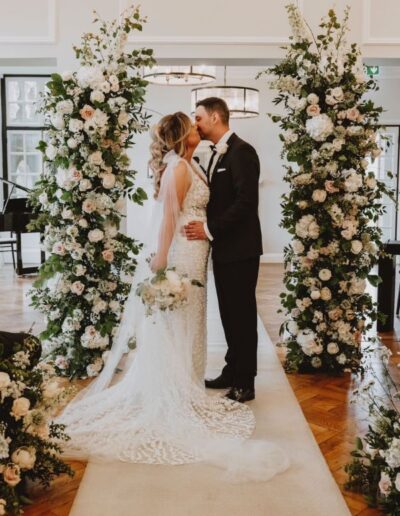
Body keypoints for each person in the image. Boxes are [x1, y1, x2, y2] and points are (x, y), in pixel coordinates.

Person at [56, 112, 288, 480]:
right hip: (182, 249)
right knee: (180, 315)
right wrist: (162, 256)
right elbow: (168, 216)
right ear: (184, 134)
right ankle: (173, 389)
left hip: (198, 248)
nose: (197, 127)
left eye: (200, 121)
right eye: (192, 124)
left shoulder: (192, 163)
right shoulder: (180, 168)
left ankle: (186, 383)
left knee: (192, 315)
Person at [185, 97, 263, 403]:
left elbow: (245, 203)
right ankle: (232, 370)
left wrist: (208, 230)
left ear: (216, 117)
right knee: (230, 314)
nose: (196, 124)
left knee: (242, 315)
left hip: (241, 249)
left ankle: (246, 381)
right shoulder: (216, 154)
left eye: (199, 117)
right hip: (225, 249)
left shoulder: (242, 152)